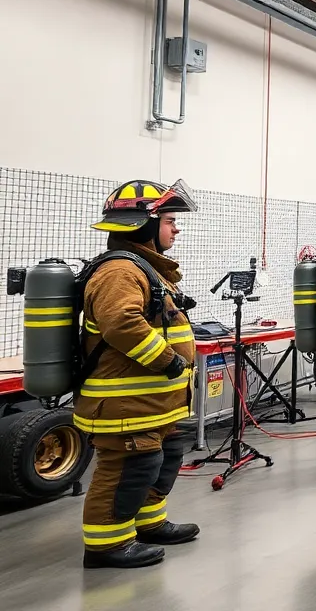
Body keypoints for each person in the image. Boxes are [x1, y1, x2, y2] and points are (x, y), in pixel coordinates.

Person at [77, 179, 201, 569]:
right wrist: (168, 360)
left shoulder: (144, 267)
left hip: (153, 402)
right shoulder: (119, 271)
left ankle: (148, 522)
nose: (176, 228)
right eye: (168, 220)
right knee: (128, 468)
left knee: (163, 459)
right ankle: (106, 545)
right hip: (124, 401)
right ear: (143, 225)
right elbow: (122, 324)